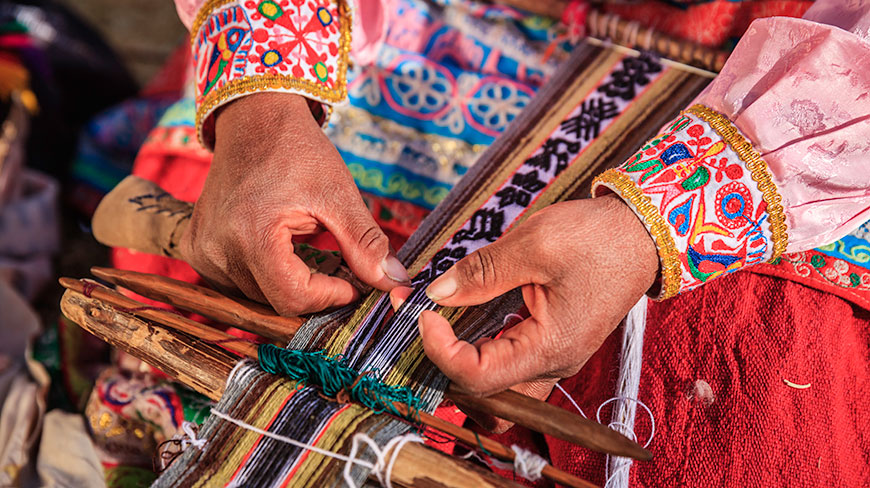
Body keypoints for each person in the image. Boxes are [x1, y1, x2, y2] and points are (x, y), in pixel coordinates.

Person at [115, 0, 870, 485]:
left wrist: (657, 221)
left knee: (745, 416)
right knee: (234, 221)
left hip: (796, 91)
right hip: (434, 33)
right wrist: (263, 101)